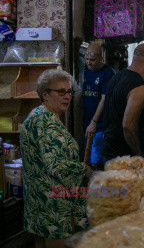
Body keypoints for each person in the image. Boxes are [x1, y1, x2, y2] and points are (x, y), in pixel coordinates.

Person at [20, 69, 89, 247]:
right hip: (53, 205)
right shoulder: (44, 121)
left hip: (41, 201)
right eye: (60, 92)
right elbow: (57, 165)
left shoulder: (42, 115)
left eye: (69, 91)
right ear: (45, 94)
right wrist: (86, 171)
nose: (67, 96)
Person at [101, 44, 144, 162]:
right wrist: (138, 153)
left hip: (108, 149)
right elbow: (128, 125)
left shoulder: (116, 77)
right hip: (124, 157)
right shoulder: (141, 88)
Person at [83, 43, 115, 169]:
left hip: (100, 125)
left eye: (92, 60)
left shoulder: (108, 73)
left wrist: (94, 122)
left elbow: (104, 98)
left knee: (96, 161)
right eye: (86, 59)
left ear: (101, 58)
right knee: (88, 159)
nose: (88, 63)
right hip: (87, 122)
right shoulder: (85, 70)